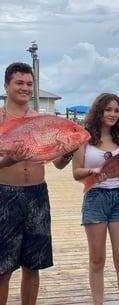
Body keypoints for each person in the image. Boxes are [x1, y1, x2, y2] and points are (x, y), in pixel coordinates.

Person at [0, 62, 73, 305]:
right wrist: (8, 160)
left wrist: (69, 151)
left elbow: (59, 164)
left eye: (29, 84)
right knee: (3, 267)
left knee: (34, 264)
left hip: (37, 196)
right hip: (5, 195)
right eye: (19, 83)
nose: (25, 88)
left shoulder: (42, 121)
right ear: (6, 85)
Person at [72, 92, 119, 305]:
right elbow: (76, 173)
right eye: (108, 109)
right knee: (97, 260)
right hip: (94, 197)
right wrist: (94, 170)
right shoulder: (84, 139)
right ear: (99, 111)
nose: (112, 114)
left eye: (116, 110)